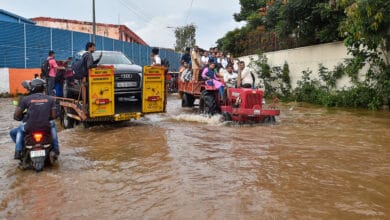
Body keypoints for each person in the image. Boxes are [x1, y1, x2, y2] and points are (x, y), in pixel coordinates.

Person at [11, 79, 60, 159]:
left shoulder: (26, 99)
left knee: (18, 129)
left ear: (31, 88)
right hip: (45, 127)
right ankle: (56, 150)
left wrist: (19, 117)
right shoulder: (50, 99)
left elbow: (16, 115)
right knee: (53, 124)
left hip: (29, 128)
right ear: (43, 88)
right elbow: (54, 116)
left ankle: (18, 151)